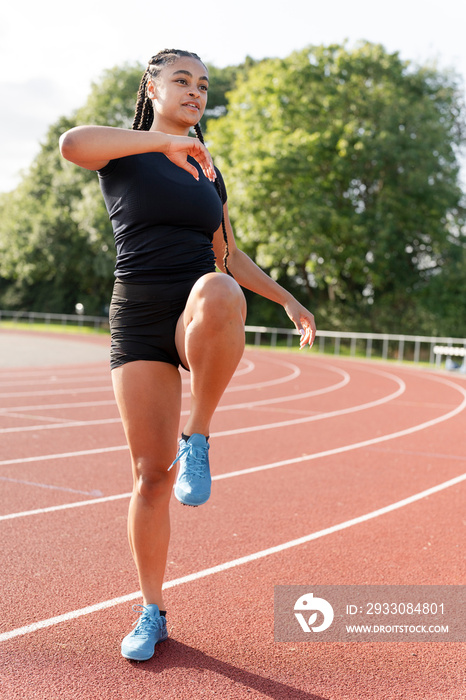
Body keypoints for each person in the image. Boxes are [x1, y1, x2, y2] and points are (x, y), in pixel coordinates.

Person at [59, 48, 316, 662]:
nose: (196, 92)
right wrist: (156, 144)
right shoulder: (124, 152)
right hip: (140, 317)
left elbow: (228, 255)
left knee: (218, 287)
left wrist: (287, 300)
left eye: (203, 84)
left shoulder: (209, 168)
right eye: (182, 81)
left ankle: (197, 435)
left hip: (198, 308)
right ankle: (152, 611)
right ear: (152, 87)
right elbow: (72, 143)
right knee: (150, 477)